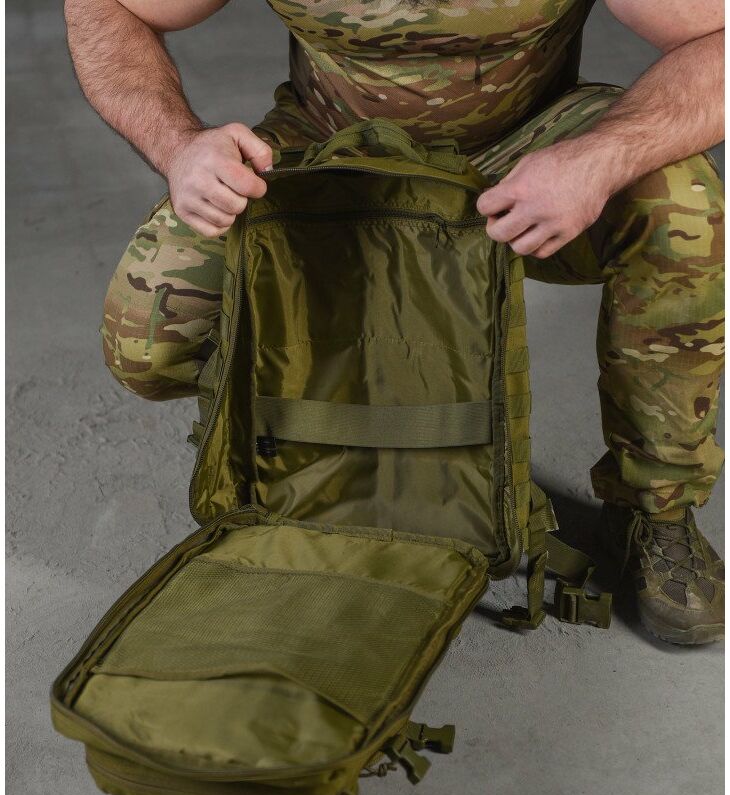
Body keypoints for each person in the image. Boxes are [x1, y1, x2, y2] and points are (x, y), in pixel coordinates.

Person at [64, 0, 724, 645]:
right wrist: (179, 146)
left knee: (684, 211)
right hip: (339, 150)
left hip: (529, 145)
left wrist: (601, 156)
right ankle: (318, 444)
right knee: (148, 343)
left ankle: (654, 508)